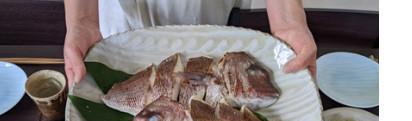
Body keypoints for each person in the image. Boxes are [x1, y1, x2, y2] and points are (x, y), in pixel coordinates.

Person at [63, 0, 317, 86]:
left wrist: (288, 20)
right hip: (117, 23)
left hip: (201, 14)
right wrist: (83, 21)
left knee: (204, 81)